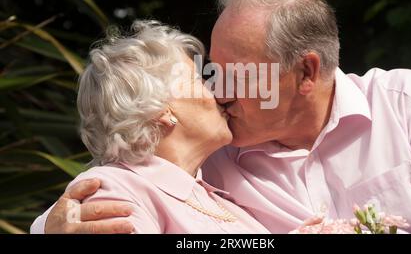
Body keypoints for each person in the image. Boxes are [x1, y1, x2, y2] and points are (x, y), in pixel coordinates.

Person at [31, 0, 411, 234]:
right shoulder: (214, 156)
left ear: (306, 73)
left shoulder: (408, 105)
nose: (219, 90)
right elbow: (111, 179)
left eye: (237, 73)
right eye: (209, 72)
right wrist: (49, 226)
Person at [31, 20, 269, 233]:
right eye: (199, 78)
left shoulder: (215, 197)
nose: (218, 90)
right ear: (161, 109)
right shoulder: (114, 190)